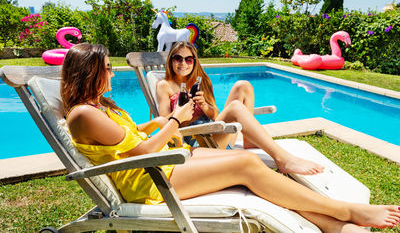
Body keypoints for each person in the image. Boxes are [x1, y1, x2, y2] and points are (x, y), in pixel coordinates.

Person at [63, 43, 400, 232]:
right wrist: (175, 121)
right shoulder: (83, 113)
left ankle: (333, 225)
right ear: (90, 72)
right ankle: (346, 212)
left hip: (163, 162)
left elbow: (133, 134)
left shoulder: (99, 106)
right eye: (105, 67)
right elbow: (138, 152)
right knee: (244, 164)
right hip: (151, 178)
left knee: (253, 162)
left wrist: (162, 121)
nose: (110, 72)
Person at [157, 41, 323, 175]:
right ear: (171, 61)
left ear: (194, 62)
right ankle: (283, 159)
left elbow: (216, 115)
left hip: (214, 132)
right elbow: (164, 124)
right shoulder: (164, 86)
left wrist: (204, 106)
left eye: (189, 59)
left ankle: (249, 142)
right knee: (236, 107)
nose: (183, 63)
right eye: (177, 58)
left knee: (243, 86)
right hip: (197, 142)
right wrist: (180, 112)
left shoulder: (202, 81)